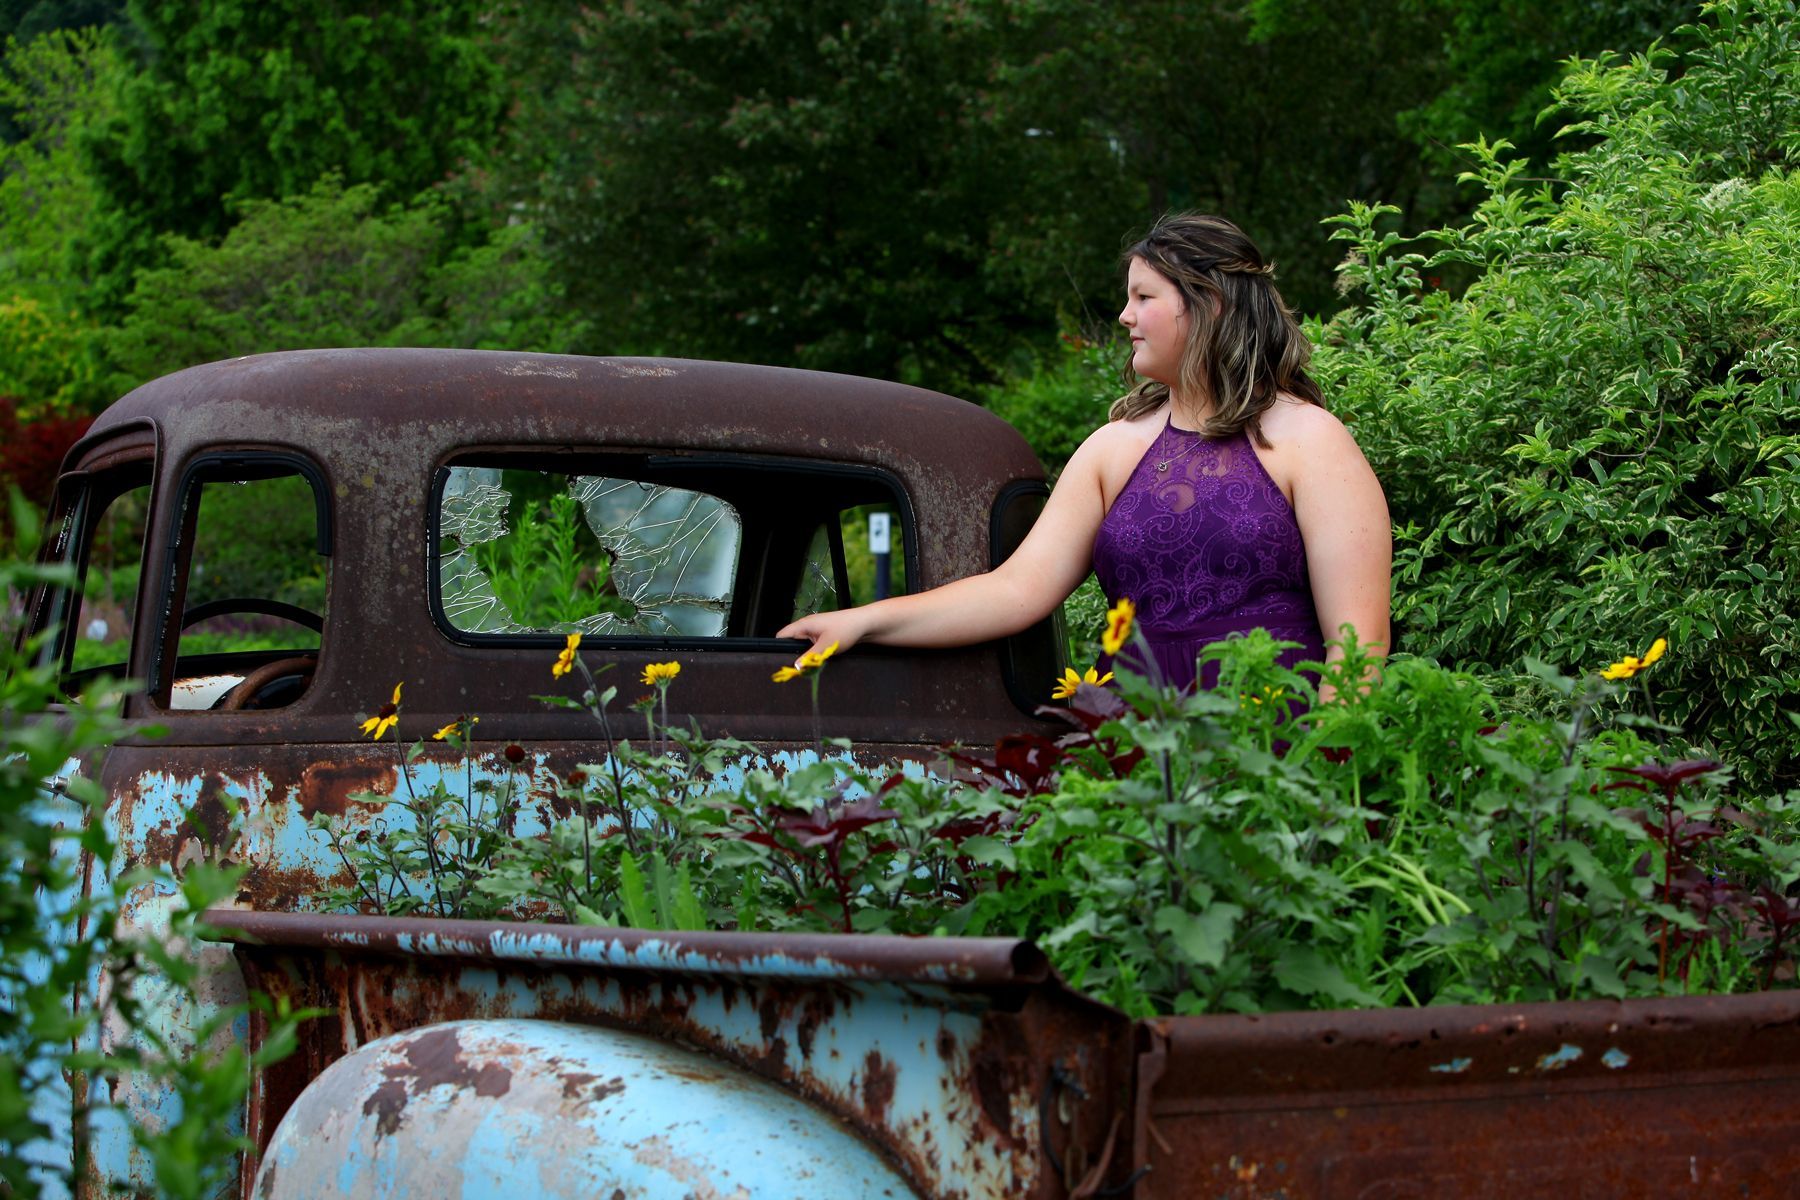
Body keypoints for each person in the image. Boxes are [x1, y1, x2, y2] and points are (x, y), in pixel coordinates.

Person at [778, 213, 1391, 696]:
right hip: (1132, 737)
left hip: (1271, 733)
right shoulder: (1112, 450)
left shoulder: (1311, 442)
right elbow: (1015, 591)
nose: (1125, 316)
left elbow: (1358, 645)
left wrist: (1321, 779)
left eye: (1144, 297)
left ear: (1210, 302)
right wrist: (862, 621)